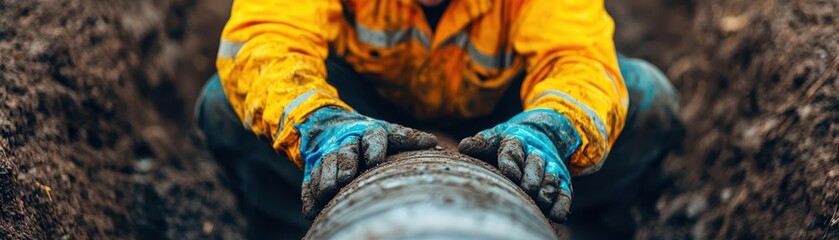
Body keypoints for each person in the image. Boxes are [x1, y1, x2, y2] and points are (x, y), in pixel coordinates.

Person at [195, 0, 682, 238]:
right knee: (225, 104)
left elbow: (580, 60)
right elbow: (265, 42)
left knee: (647, 99)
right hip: (360, 117)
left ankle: (588, 226)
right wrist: (320, 123)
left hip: (507, 122)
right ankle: (293, 225)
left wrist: (549, 128)